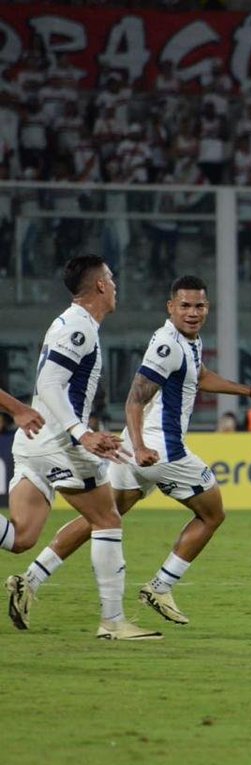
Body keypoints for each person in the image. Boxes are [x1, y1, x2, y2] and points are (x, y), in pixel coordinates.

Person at [18, 275, 251, 627]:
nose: (193, 312)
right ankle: (160, 586)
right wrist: (139, 447)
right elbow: (135, 398)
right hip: (162, 450)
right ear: (171, 307)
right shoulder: (168, 345)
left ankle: (30, 579)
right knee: (213, 514)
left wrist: (249, 392)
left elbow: (199, 376)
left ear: (207, 308)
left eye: (199, 306)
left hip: (139, 450)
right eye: (184, 306)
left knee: (104, 517)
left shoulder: (189, 341)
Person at [1, 254, 160, 640]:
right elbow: (51, 384)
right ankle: (112, 621)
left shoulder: (70, 323)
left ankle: (34, 582)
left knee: (21, 538)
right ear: (101, 286)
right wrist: (81, 433)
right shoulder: (79, 327)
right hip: (59, 444)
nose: (116, 285)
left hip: (34, 442)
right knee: (107, 520)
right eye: (112, 278)